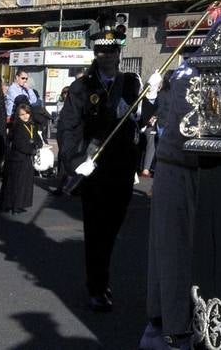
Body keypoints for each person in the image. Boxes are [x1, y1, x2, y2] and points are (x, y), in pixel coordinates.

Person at [57, 39, 142, 312]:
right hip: (93, 166)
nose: (105, 56)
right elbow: (68, 126)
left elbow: (145, 119)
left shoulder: (131, 83)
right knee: (95, 231)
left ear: (119, 54)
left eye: (111, 51)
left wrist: (150, 99)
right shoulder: (82, 86)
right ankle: (97, 287)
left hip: (122, 167)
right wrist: (74, 161)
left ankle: (100, 275)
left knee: (112, 229)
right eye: (100, 51)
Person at [139, 56, 199, 350]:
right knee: (173, 252)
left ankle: (168, 319)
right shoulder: (186, 76)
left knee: (170, 251)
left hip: (177, 164)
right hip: (178, 165)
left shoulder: (183, 75)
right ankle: (172, 323)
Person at [1, 99, 43, 215]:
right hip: (17, 158)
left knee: (25, 183)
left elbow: (37, 139)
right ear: (18, 115)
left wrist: (37, 144)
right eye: (22, 115)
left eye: (27, 113)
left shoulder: (32, 125)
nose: (25, 116)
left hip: (27, 158)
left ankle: (20, 204)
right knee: (16, 183)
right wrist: (31, 148)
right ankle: (13, 204)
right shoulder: (17, 127)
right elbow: (18, 143)